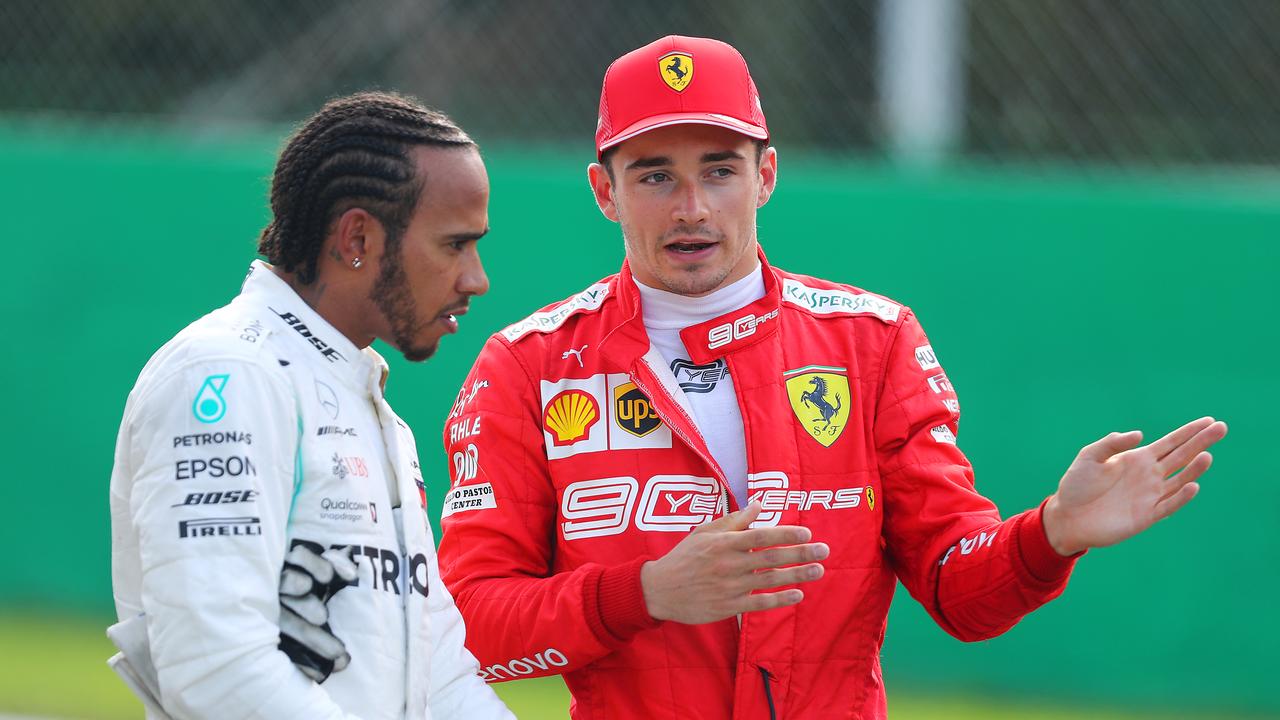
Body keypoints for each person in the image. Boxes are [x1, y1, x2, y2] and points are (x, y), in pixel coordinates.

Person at [429, 36, 1229, 719]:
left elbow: (959, 591)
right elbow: (468, 627)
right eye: (654, 176)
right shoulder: (528, 367)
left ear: (766, 175)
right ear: (605, 191)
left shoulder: (871, 343)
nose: (693, 209)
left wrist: (1051, 533)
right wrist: (644, 592)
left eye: (719, 171)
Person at [108, 91, 514, 719]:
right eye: (454, 244)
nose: (476, 278)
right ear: (358, 236)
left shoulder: (370, 407)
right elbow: (217, 669)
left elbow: (442, 677)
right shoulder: (229, 373)